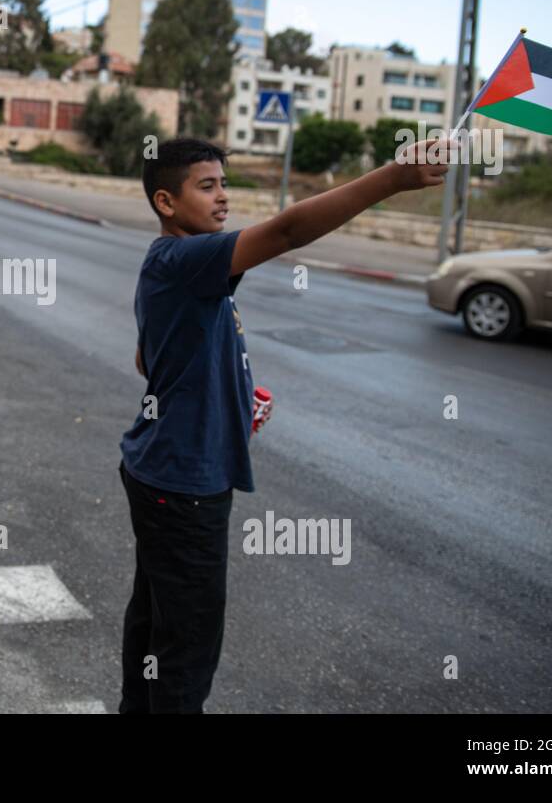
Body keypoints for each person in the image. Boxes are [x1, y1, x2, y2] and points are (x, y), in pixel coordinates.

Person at [118, 135, 450, 714]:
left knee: (155, 622)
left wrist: (232, 394)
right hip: (185, 486)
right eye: (207, 186)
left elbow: (151, 359)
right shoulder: (186, 258)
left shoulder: (178, 263)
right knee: (187, 653)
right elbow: (288, 231)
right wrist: (393, 178)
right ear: (166, 202)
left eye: (225, 183)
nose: (224, 197)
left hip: (162, 473)